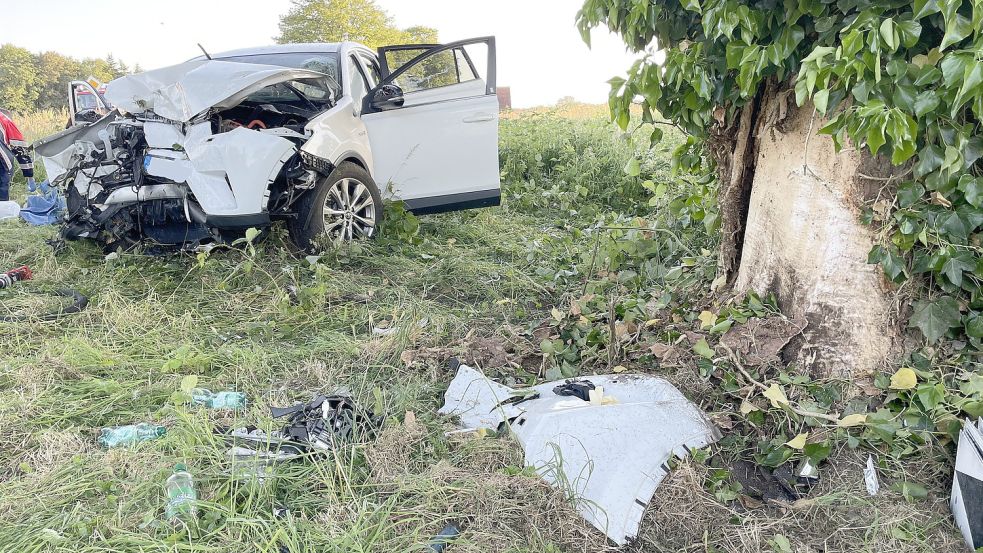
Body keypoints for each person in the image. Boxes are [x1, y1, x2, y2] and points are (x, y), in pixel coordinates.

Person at [0, 109, 35, 202]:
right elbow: (20, 149)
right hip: (1, 159)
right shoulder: (5, 120)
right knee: (3, 179)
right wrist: (30, 176)